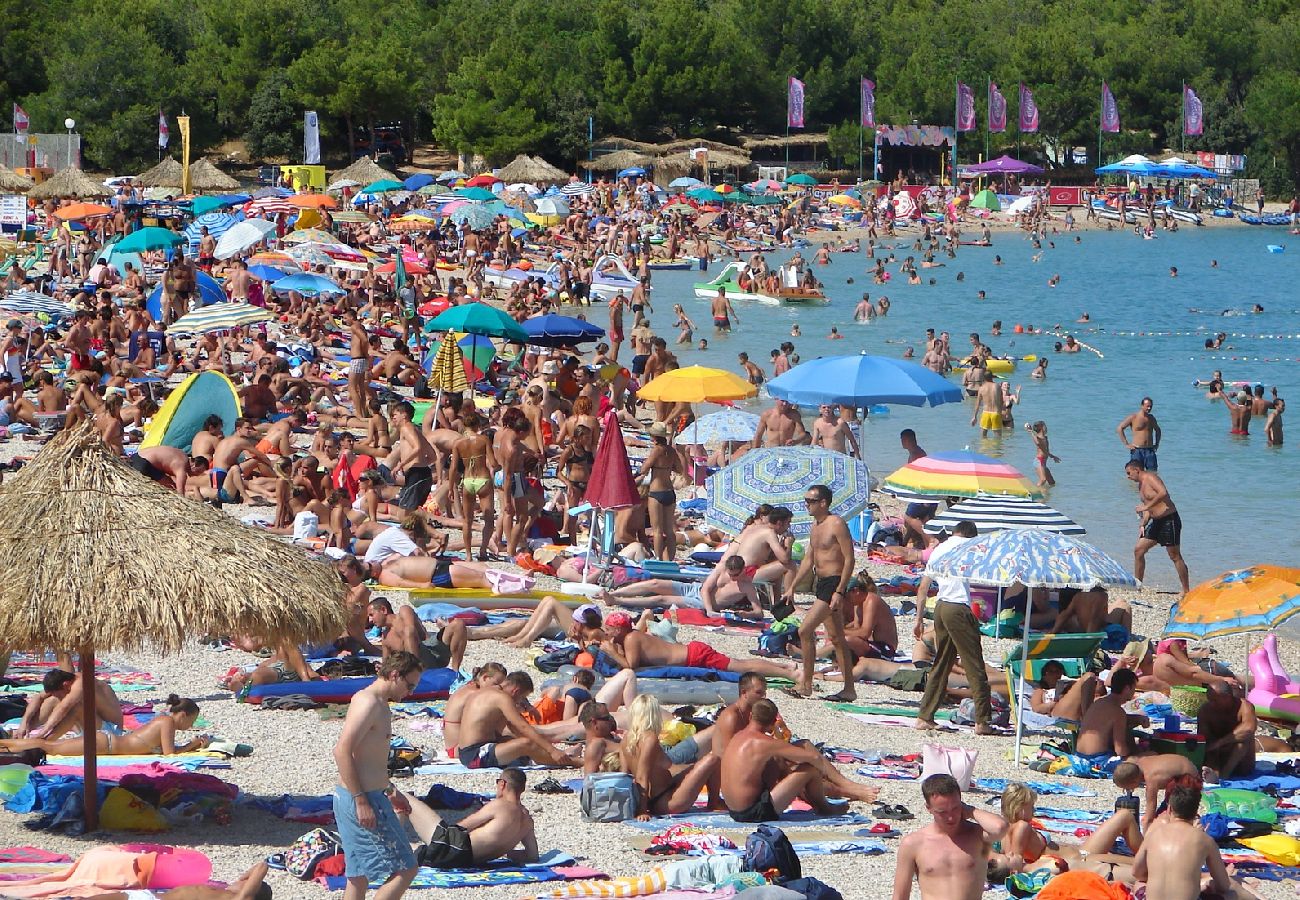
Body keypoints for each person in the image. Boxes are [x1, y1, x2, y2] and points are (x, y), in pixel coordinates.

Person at [331, 652, 424, 900]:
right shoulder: (368, 702)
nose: (411, 692)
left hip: (367, 794)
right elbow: (342, 751)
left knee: (358, 876)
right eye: (410, 685)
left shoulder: (380, 704)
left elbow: (369, 759)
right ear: (395, 675)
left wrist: (392, 791)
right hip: (359, 798)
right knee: (406, 868)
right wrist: (361, 800)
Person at [720, 698, 878, 823]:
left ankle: (842, 789)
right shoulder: (764, 743)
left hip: (734, 810)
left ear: (751, 716)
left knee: (795, 752)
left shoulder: (739, 736)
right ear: (772, 723)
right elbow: (815, 758)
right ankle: (824, 807)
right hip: (753, 813)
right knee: (810, 769)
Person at [914, 522, 991, 733]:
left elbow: (923, 588)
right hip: (957, 607)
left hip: (940, 606)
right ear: (971, 536)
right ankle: (982, 720)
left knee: (942, 662)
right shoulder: (970, 546)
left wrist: (919, 619)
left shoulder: (940, 548)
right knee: (974, 663)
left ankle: (925, 715)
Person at [785, 483, 857, 701]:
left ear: (823, 503)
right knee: (836, 638)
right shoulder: (815, 525)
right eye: (805, 500)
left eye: (810, 501)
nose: (806, 504)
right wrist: (792, 586)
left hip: (834, 583)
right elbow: (809, 559)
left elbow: (849, 558)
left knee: (805, 631)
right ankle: (849, 689)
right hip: (822, 582)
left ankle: (806, 684)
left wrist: (840, 591)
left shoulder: (836, 523)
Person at [891, 774, 1008, 900]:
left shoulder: (977, 835)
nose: (951, 817)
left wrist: (969, 811)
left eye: (955, 808)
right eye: (942, 812)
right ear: (928, 808)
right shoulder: (913, 844)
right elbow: (900, 896)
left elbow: (1000, 827)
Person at [397, 767, 537, 868]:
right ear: (522, 789)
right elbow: (532, 856)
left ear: (502, 784)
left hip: (454, 846)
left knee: (404, 797)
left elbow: (463, 826)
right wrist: (507, 852)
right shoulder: (527, 821)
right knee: (406, 848)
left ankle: (389, 837)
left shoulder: (500, 805)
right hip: (465, 862)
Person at [602, 611, 796, 679]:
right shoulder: (629, 636)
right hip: (692, 652)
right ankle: (784, 667)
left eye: (609, 628)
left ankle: (788, 673)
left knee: (741, 666)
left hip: (695, 656)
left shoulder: (631, 639)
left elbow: (631, 666)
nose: (606, 632)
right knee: (739, 663)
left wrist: (611, 651)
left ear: (619, 630)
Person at [1, 694, 207, 756]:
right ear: (183, 714)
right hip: (105, 744)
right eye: (191, 720)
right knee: (47, 747)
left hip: (106, 742)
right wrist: (191, 745)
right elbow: (169, 755)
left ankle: (5, 745)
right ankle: (4, 744)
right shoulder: (168, 722)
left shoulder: (164, 720)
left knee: (46, 746)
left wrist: (191, 745)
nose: (190, 725)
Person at [1132, 780, 1236, 900]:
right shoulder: (1205, 840)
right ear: (1196, 813)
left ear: (1169, 809)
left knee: (1139, 884)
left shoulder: (1154, 834)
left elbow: (1136, 872)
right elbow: (1223, 886)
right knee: (1232, 894)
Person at [621, 695, 721, 817]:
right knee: (713, 760)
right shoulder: (650, 739)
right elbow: (642, 776)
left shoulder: (626, 739)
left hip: (657, 796)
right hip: (664, 801)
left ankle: (714, 802)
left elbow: (624, 774)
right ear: (654, 715)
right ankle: (714, 803)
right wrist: (642, 810)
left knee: (701, 765)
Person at [456, 670, 578, 769]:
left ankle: (563, 756)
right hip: (475, 755)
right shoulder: (502, 698)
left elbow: (515, 728)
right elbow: (523, 727)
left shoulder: (489, 692)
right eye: (522, 698)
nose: (519, 702)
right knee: (526, 744)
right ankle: (573, 761)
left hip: (467, 751)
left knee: (523, 742)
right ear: (516, 691)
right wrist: (552, 750)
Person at [601, 554, 762, 617]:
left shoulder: (747, 586)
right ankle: (614, 593)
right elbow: (706, 588)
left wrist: (746, 614)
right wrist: (711, 611)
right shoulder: (722, 570)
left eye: (736, 575)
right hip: (697, 591)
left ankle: (616, 601)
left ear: (742, 571)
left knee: (662, 599)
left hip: (702, 603)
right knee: (654, 583)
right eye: (730, 574)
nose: (732, 577)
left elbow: (759, 612)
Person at [1125, 459, 1190, 594]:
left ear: (1137, 470)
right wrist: (1143, 522)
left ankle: (1186, 590)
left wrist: (1146, 506)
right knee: (1138, 550)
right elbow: (1149, 508)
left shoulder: (1151, 477)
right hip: (1156, 522)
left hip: (1169, 520)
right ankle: (1138, 585)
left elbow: (1163, 493)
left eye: (1129, 473)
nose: (1128, 477)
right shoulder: (1140, 486)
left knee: (1174, 555)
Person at [14, 667, 124, 740]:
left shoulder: (82, 683)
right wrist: (24, 723)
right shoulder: (67, 683)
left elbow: (64, 707)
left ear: (66, 684)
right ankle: (23, 733)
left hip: (111, 731)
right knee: (52, 700)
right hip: (90, 726)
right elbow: (38, 697)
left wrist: (43, 732)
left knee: (77, 707)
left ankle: (45, 741)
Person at [367, 596, 466, 672]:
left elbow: (411, 631)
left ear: (383, 610)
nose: (370, 620)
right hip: (423, 663)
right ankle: (415, 671)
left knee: (458, 624)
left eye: (372, 615)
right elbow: (386, 665)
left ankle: (455, 672)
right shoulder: (386, 638)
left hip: (431, 647)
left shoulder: (403, 612)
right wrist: (382, 668)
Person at [1111, 754, 1200, 830]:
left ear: (1134, 781)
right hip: (1184, 768)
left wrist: (1145, 840)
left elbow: (1149, 816)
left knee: (1169, 818)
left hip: (1190, 779)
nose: (1128, 791)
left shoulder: (1151, 778)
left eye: (1127, 788)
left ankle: (1192, 821)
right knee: (1161, 815)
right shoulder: (1138, 762)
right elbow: (1127, 765)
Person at [1075, 667, 1140, 761]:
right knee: (1147, 756)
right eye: (1134, 688)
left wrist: (1137, 719)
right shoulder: (1117, 711)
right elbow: (1120, 750)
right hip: (1097, 760)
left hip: (1079, 757)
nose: (1134, 692)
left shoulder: (1098, 702)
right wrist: (1136, 752)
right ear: (1127, 688)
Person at [1198, 680, 1257, 780]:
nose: (1211, 703)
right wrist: (1215, 745)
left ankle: (1224, 775)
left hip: (1240, 759)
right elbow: (1203, 736)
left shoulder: (1244, 706)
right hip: (1217, 754)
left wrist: (1221, 742)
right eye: (1209, 699)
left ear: (1227, 697)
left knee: (1243, 741)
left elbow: (1249, 728)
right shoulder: (1206, 710)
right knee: (1208, 745)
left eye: (1214, 700)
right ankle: (1214, 773)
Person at [1116, 397, 1160, 471]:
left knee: (1153, 473)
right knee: (1136, 473)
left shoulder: (1151, 418)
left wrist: (1157, 444)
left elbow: (1158, 430)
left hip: (1149, 450)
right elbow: (1120, 428)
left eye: (1150, 406)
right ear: (1142, 406)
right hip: (1137, 450)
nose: (1149, 408)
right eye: (1147, 406)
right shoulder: (1133, 417)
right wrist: (1126, 444)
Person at [1025, 421, 1060, 487]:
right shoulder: (1038, 438)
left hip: (1043, 462)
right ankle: (1035, 492)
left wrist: (1053, 457)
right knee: (1043, 479)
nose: (1046, 428)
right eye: (1045, 426)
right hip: (1039, 461)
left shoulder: (1045, 438)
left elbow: (1046, 451)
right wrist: (1031, 431)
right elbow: (1038, 443)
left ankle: (1047, 495)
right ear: (1041, 428)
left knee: (1052, 482)